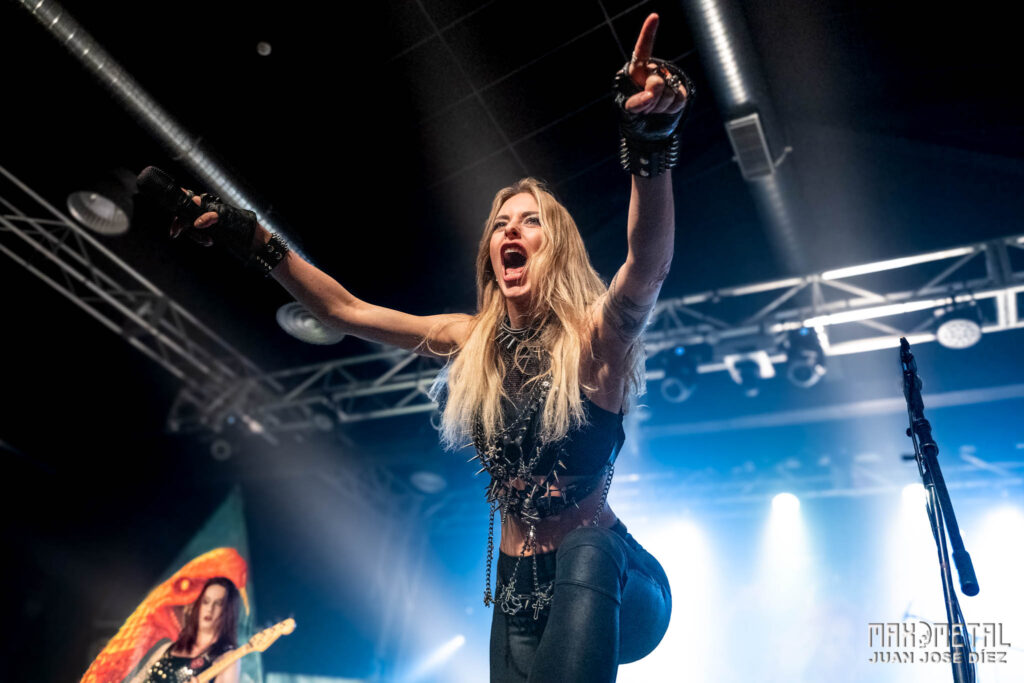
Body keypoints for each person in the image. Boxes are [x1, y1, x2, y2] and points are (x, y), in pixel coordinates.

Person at [167, 13, 691, 682]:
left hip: (617, 581)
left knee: (587, 549)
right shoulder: (469, 340)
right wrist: (254, 240)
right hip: (517, 593)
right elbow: (343, 310)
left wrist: (651, 141)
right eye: (500, 224)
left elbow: (647, 264)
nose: (510, 231)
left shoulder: (595, 337)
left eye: (530, 222)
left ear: (554, 247)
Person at [129, 577, 241, 683]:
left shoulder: (228, 658)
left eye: (218, 604)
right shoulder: (167, 649)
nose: (209, 609)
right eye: (205, 601)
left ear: (228, 611)